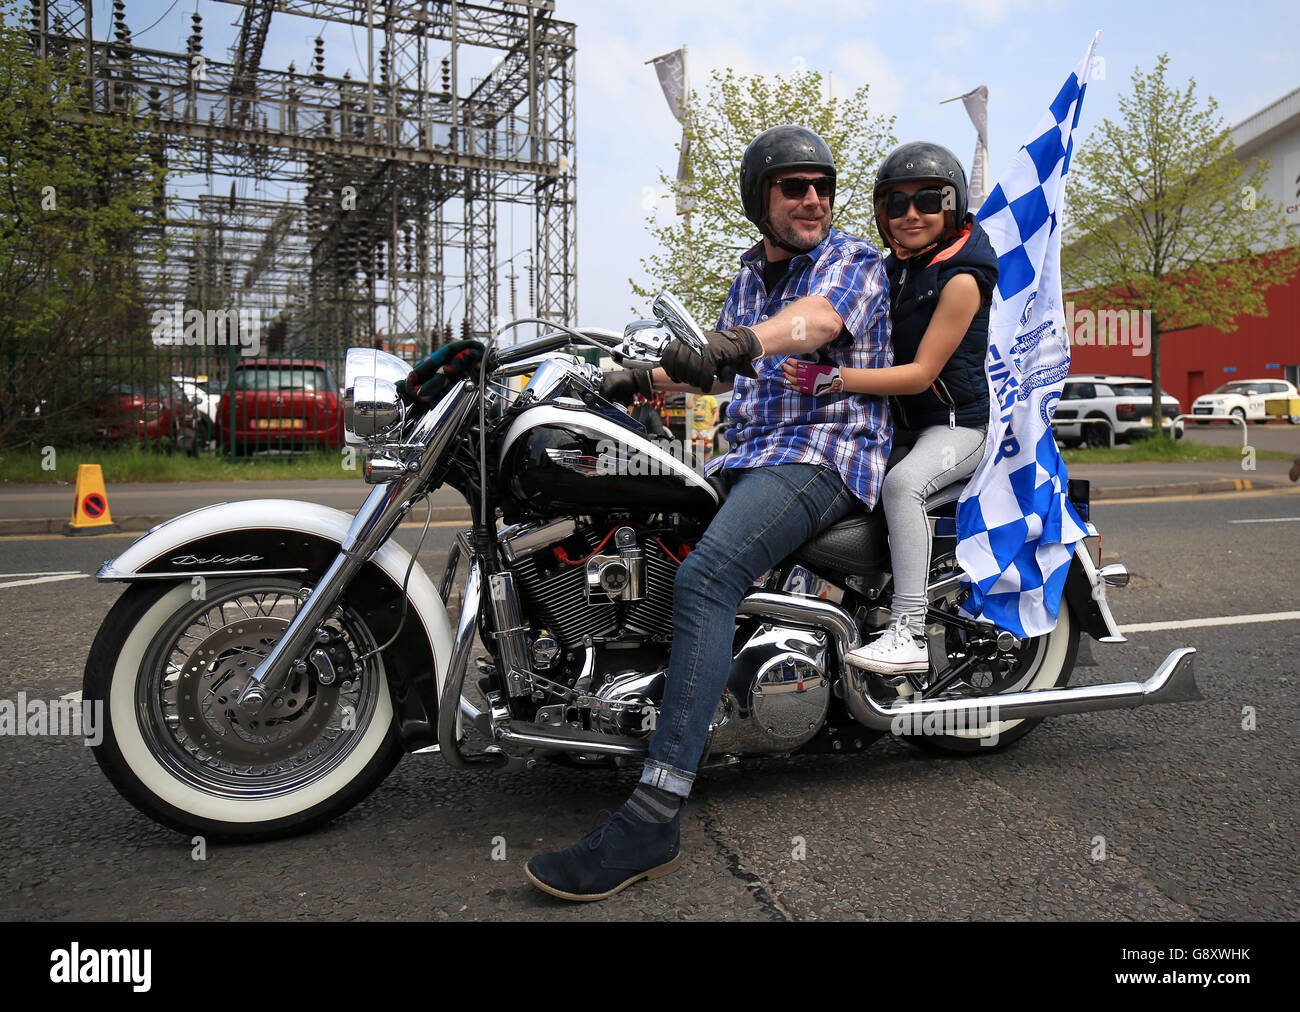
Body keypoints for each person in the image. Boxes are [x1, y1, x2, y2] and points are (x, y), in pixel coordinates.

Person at [525, 125, 893, 901]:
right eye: (795, 186)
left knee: (707, 581)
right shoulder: (747, 275)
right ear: (759, 196)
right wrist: (625, 381)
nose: (814, 200)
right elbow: (715, 377)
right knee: (644, 536)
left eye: (822, 185)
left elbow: (813, 325)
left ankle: (655, 813)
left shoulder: (850, 260)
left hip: (820, 453)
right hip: (744, 456)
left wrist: (732, 343)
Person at [783, 142, 998, 679]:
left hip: (956, 428)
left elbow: (921, 374)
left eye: (927, 200)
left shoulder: (962, 279)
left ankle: (908, 631)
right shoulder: (892, 271)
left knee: (904, 486)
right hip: (903, 426)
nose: (910, 215)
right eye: (895, 204)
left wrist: (833, 380)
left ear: (953, 205)